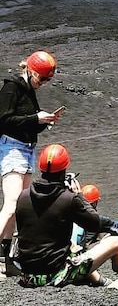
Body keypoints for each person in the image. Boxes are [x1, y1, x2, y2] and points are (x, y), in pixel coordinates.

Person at [15, 143, 118, 294]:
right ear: (64, 170)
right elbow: (94, 224)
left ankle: (104, 282)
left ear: (41, 169)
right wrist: (79, 195)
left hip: (27, 275)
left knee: (75, 250)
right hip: (54, 276)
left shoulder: (23, 196)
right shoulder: (68, 199)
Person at [0, 50, 62, 277]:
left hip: (26, 149)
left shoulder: (28, 90)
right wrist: (36, 118)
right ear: (31, 71)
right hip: (12, 147)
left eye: (48, 80)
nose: (44, 83)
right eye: (42, 78)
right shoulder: (12, 88)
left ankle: (5, 261)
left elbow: (25, 123)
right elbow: (3, 120)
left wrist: (45, 122)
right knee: (13, 202)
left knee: (19, 206)